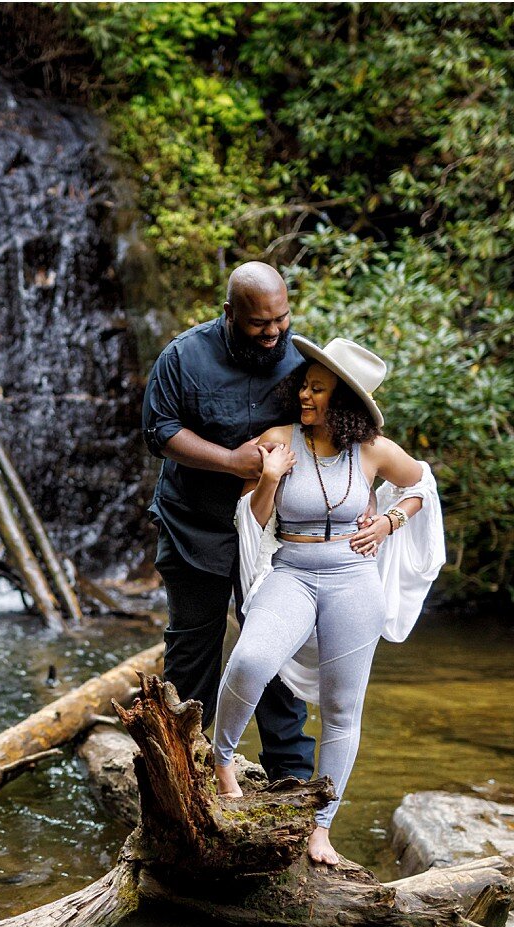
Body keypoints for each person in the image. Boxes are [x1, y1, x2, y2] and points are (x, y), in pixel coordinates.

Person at [211, 337, 444, 866]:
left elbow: (422, 485)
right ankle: (222, 761)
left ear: (344, 401)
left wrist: (389, 521)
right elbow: (258, 519)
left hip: (354, 581)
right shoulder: (278, 438)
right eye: (304, 385)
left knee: (343, 710)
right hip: (291, 571)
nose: (304, 395)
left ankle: (321, 829)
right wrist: (268, 478)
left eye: (317, 389)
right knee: (250, 660)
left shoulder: (373, 450)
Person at [141, 262, 315, 783]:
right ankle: (182, 780)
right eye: (259, 324)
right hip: (196, 525)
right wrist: (231, 461)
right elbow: (160, 430)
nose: (273, 333)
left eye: (281, 319)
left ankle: (292, 786)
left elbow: (335, 423)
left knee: (277, 655)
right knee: (193, 654)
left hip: (274, 533)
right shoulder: (183, 357)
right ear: (229, 314)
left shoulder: (302, 357)